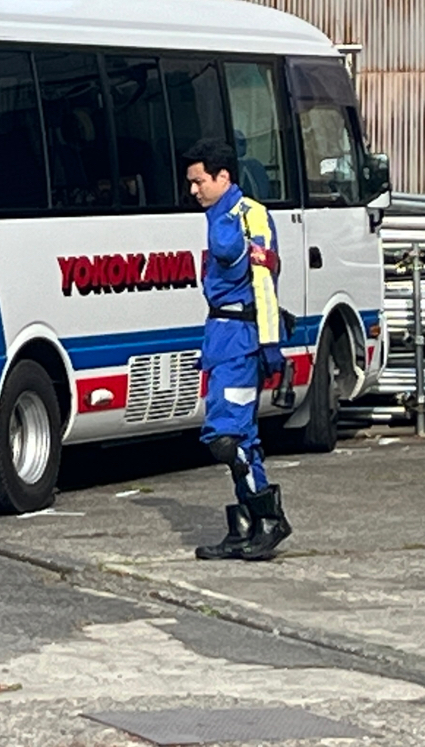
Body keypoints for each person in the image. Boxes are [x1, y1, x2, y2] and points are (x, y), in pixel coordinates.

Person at [185, 141, 294, 562]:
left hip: (243, 340)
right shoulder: (216, 217)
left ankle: (269, 519)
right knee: (239, 436)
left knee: (226, 438)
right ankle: (245, 525)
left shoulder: (251, 215)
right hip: (221, 337)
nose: (193, 190)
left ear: (223, 177)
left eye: (199, 181)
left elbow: (264, 284)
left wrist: (270, 343)